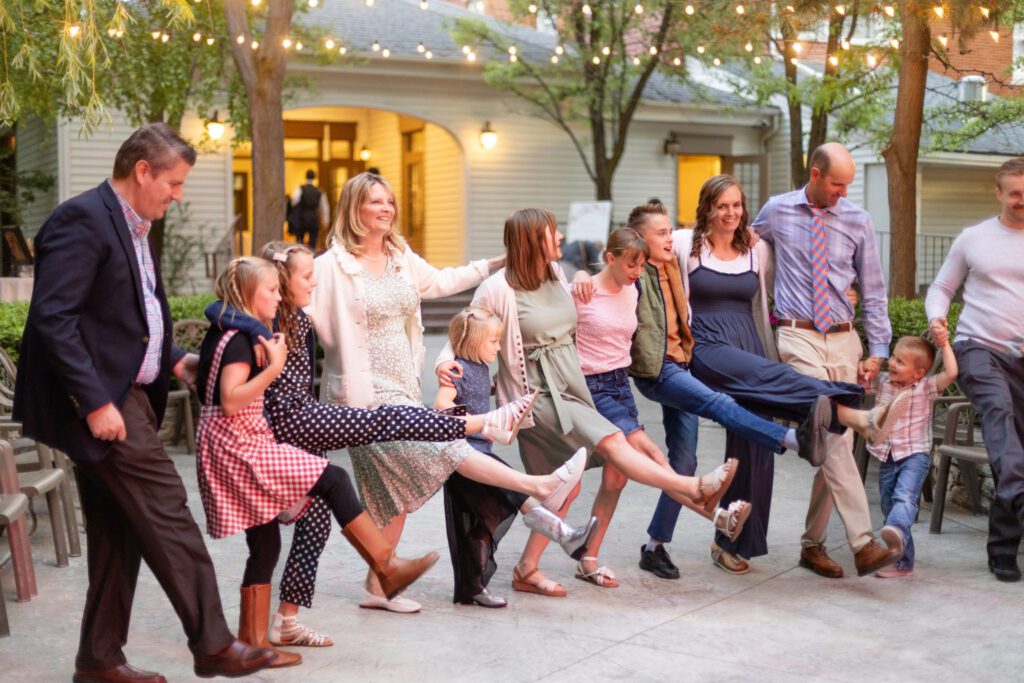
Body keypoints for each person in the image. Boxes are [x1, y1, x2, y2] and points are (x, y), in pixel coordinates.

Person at [12, 123, 275, 683]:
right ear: (142, 171)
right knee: (167, 509)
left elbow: (126, 318)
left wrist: (176, 359)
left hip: (125, 393)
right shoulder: (82, 220)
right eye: (173, 183)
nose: (177, 195)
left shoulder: (135, 226)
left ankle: (98, 660)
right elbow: (54, 320)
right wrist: (93, 402)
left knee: (120, 527)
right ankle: (214, 645)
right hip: (104, 401)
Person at [204, 242, 560, 643]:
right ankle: (482, 425)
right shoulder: (260, 328)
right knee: (384, 422)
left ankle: (285, 623)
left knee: (314, 521)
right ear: (280, 283)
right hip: (288, 423)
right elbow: (227, 353)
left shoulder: (295, 318)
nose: (314, 283)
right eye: (305, 277)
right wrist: (266, 357)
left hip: (296, 423)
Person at [311, 173, 587, 613]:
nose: (386, 208)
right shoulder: (332, 266)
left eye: (389, 201)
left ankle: (377, 588)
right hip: (363, 395)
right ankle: (535, 487)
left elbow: (441, 282)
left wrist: (497, 262)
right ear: (353, 208)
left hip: (403, 385)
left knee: (392, 494)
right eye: (375, 202)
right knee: (445, 444)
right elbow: (301, 309)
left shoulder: (400, 257)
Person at [438, 208, 744, 598]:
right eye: (552, 232)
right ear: (532, 240)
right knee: (613, 442)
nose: (561, 238)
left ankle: (527, 569)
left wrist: (582, 276)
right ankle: (695, 487)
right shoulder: (497, 288)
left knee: (566, 488)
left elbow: (579, 302)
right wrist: (445, 363)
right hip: (537, 396)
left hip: (572, 384)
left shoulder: (555, 273)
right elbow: (463, 330)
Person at [195, 256, 440, 668]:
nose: (277, 297)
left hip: (235, 443)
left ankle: (254, 644)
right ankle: (386, 564)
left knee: (266, 543)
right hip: (241, 446)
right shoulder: (239, 340)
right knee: (333, 478)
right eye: (271, 290)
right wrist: (274, 367)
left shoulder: (234, 329)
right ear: (248, 293)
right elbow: (231, 399)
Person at [676, 176, 908, 574]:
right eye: (721, 205)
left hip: (749, 342)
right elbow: (641, 254)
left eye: (736, 205)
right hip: (710, 346)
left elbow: (776, 289)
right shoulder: (685, 244)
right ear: (707, 207)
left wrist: (840, 296)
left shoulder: (756, 249)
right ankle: (855, 415)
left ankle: (731, 542)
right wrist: (582, 279)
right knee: (781, 386)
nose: (730, 213)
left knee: (753, 446)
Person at [622, 202, 835, 581]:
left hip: (683, 365)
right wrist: (584, 279)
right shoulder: (633, 276)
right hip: (659, 371)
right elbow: (604, 278)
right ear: (640, 239)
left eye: (670, 231)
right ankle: (791, 439)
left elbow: (716, 237)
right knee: (718, 403)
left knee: (684, 462)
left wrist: (750, 233)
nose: (669, 237)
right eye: (661, 233)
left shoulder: (674, 262)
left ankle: (654, 547)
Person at [751, 142, 904, 578]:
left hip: (843, 339)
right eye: (837, 184)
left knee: (837, 439)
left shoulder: (858, 219)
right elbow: (742, 250)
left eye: (847, 186)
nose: (843, 193)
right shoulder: (777, 210)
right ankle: (862, 541)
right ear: (815, 175)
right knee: (831, 424)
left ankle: (812, 545)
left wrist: (878, 351)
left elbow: (873, 289)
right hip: (797, 335)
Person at [572, 228, 752, 587]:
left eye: (641, 265)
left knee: (616, 478)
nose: (637, 272)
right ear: (610, 258)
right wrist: (578, 274)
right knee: (649, 452)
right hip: (594, 389)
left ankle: (587, 557)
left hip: (620, 387)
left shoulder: (631, 291)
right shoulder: (582, 292)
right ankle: (712, 508)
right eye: (631, 264)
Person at [436, 308, 600, 607]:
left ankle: (473, 588)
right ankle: (563, 532)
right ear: (473, 342)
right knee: (510, 497)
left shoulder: (479, 368)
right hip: (466, 459)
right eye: (493, 341)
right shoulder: (457, 371)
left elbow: (474, 397)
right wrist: (483, 421)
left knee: (485, 522)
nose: (498, 347)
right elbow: (442, 407)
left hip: (481, 453)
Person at [925, 156, 1024, 582]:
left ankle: (1003, 547)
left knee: (1013, 447)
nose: (1022, 200)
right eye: (1015, 193)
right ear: (998, 192)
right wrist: (936, 318)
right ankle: (1015, 511)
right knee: (998, 411)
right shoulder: (974, 238)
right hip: (978, 347)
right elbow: (942, 287)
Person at [868, 336, 958, 578]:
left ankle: (897, 537)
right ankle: (903, 560)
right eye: (893, 357)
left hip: (914, 455)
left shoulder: (926, 388)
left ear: (919, 373)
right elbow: (859, 380)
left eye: (900, 361)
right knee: (888, 506)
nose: (892, 363)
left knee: (904, 498)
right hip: (887, 456)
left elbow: (951, 372)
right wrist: (867, 365)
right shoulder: (883, 381)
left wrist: (945, 343)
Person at [289, 169, 329, 249]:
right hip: (313, 218)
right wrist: (325, 221)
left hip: (301, 218)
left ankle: (300, 255)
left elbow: (294, 201)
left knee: (299, 242)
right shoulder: (319, 191)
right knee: (312, 243)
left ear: (306, 177)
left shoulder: (301, 188)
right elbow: (324, 207)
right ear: (314, 177)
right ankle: (311, 254)